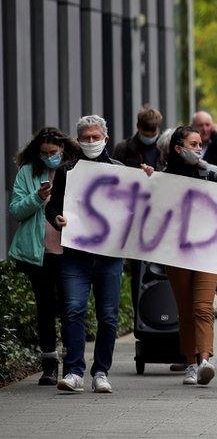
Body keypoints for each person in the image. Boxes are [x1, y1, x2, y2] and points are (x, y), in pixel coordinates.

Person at [46, 115, 128, 394]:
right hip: (76, 256)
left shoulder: (120, 171)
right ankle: (74, 371)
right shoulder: (69, 171)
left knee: (107, 316)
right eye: (86, 138)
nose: (91, 142)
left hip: (108, 257)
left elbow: (135, 209)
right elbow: (52, 207)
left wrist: (147, 178)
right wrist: (57, 217)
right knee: (73, 310)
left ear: (106, 138)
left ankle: (101, 371)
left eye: (96, 137)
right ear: (78, 140)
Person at [7, 128, 79, 386]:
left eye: (54, 153)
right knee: (45, 309)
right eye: (45, 153)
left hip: (69, 251)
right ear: (37, 153)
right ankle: (49, 366)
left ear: (63, 150)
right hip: (40, 253)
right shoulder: (28, 173)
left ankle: (73, 363)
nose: (50, 157)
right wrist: (37, 197)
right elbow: (16, 210)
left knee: (70, 308)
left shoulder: (75, 170)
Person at [154, 126, 217, 387]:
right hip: (178, 252)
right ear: (178, 148)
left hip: (208, 251)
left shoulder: (212, 173)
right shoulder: (163, 178)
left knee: (203, 307)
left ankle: (205, 360)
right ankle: (190, 363)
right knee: (185, 311)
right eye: (192, 144)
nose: (198, 149)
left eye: (199, 144)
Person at [112, 104, 164, 169]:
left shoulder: (165, 150)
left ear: (159, 128)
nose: (149, 138)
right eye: (146, 135)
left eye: (153, 135)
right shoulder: (122, 149)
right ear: (138, 127)